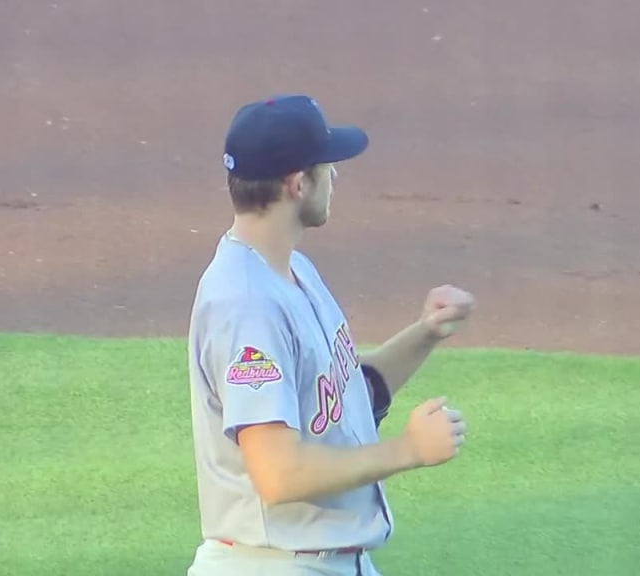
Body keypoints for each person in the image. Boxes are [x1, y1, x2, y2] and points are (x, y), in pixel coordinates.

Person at [185, 94, 476, 575]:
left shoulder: (291, 271)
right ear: (298, 184)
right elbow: (278, 473)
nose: (335, 176)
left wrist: (426, 332)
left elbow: (342, 399)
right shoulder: (246, 304)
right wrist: (408, 451)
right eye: (326, 166)